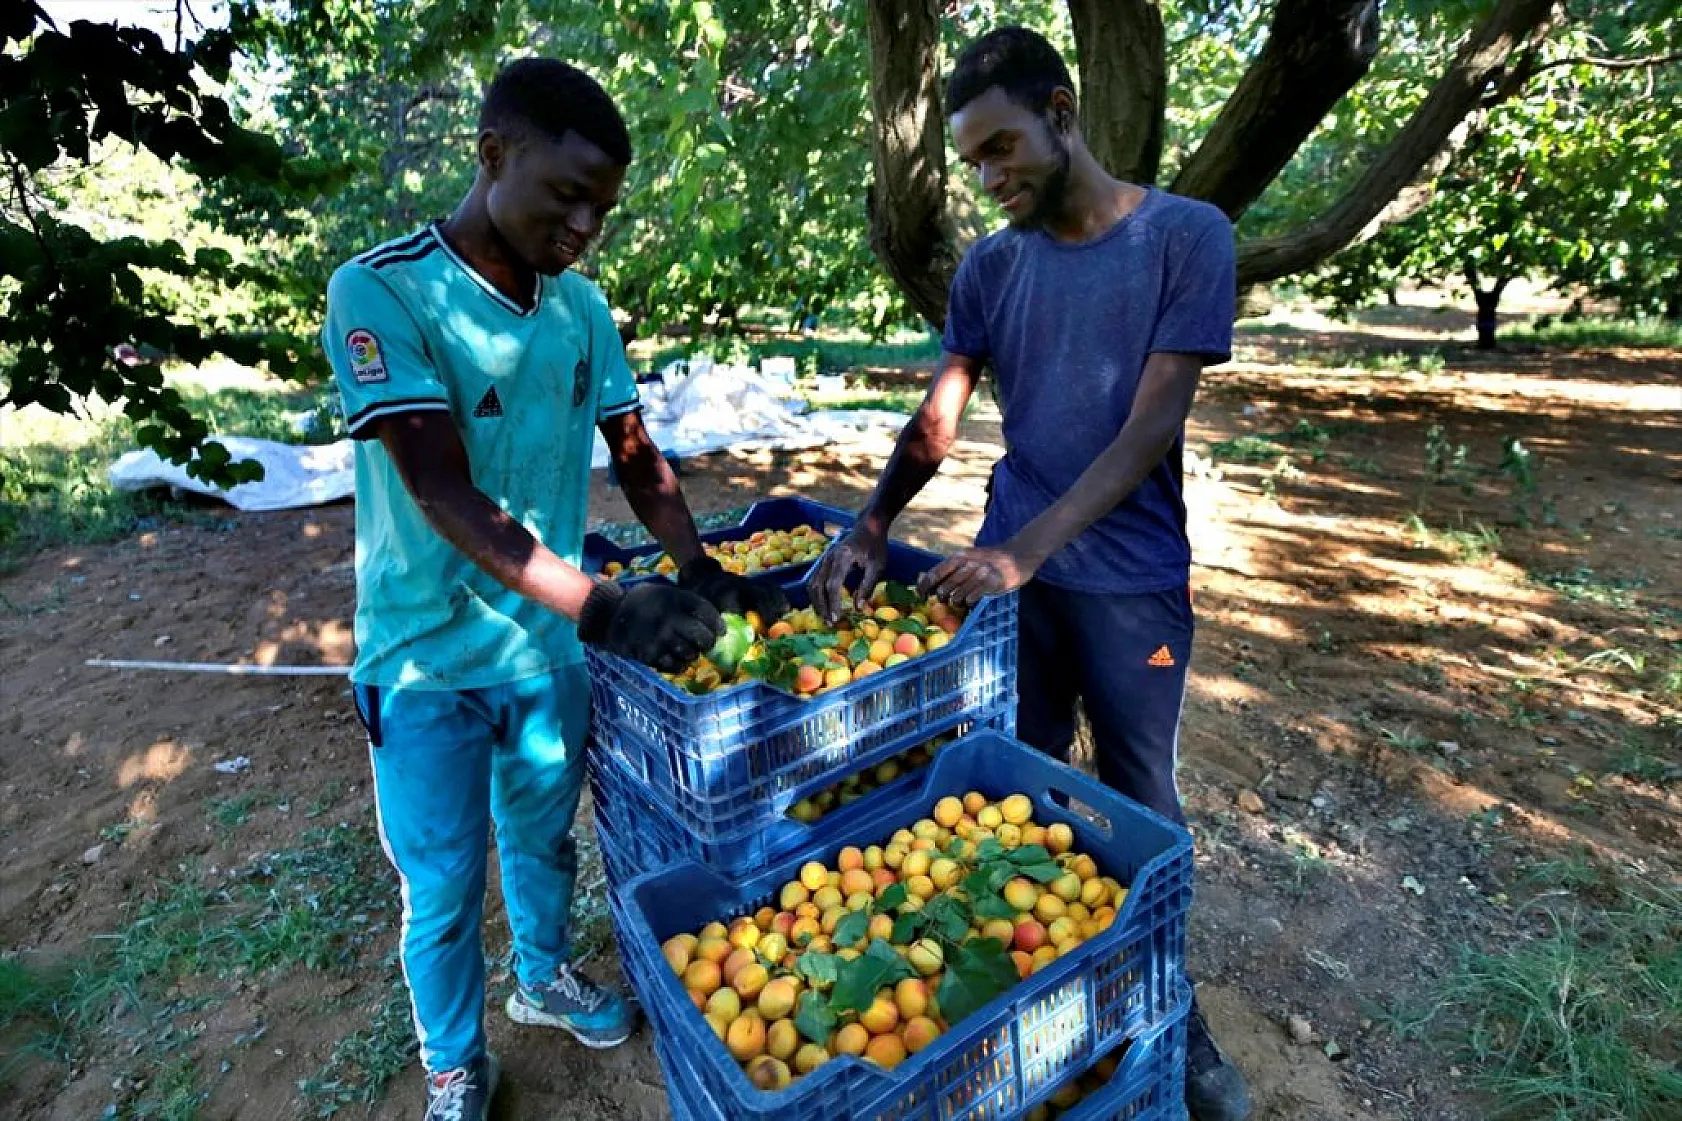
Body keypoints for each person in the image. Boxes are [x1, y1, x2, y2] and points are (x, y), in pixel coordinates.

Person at [320, 58, 786, 1121]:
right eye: (565, 195)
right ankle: (452, 1060)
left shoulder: (580, 310)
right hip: (424, 656)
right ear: (492, 155)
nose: (584, 224)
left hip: (547, 649)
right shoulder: (380, 288)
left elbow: (634, 452)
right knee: (439, 886)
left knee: (542, 836)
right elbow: (437, 482)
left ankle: (540, 977)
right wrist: (607, 606)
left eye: (602, 208)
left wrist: (698, 563)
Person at [809, 27, 1250, 1121]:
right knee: (1012, 773)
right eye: (973, 163)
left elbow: (1152, 422)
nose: (990, 177)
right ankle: (1024, 989)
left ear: (1060, 110)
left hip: (1128, 579)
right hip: (1018, 576)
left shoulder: (1185, 237)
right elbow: (941, 413)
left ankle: (1170, 1010)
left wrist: (1026, 547)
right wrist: (872, 520)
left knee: (1141, 788)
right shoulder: (990, 266)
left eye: (1002, 147)